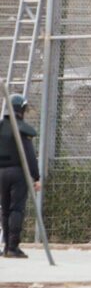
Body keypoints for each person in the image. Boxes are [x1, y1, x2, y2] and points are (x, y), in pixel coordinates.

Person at [0, 94, 40, 259]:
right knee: (16, 209)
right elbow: (29, 155)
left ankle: (6, 247)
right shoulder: (22, 130)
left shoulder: (2, 127)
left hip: (1, 173)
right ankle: (13, 247)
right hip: (17, 173)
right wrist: (36, 177)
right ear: (21, 110)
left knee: (5, 209)